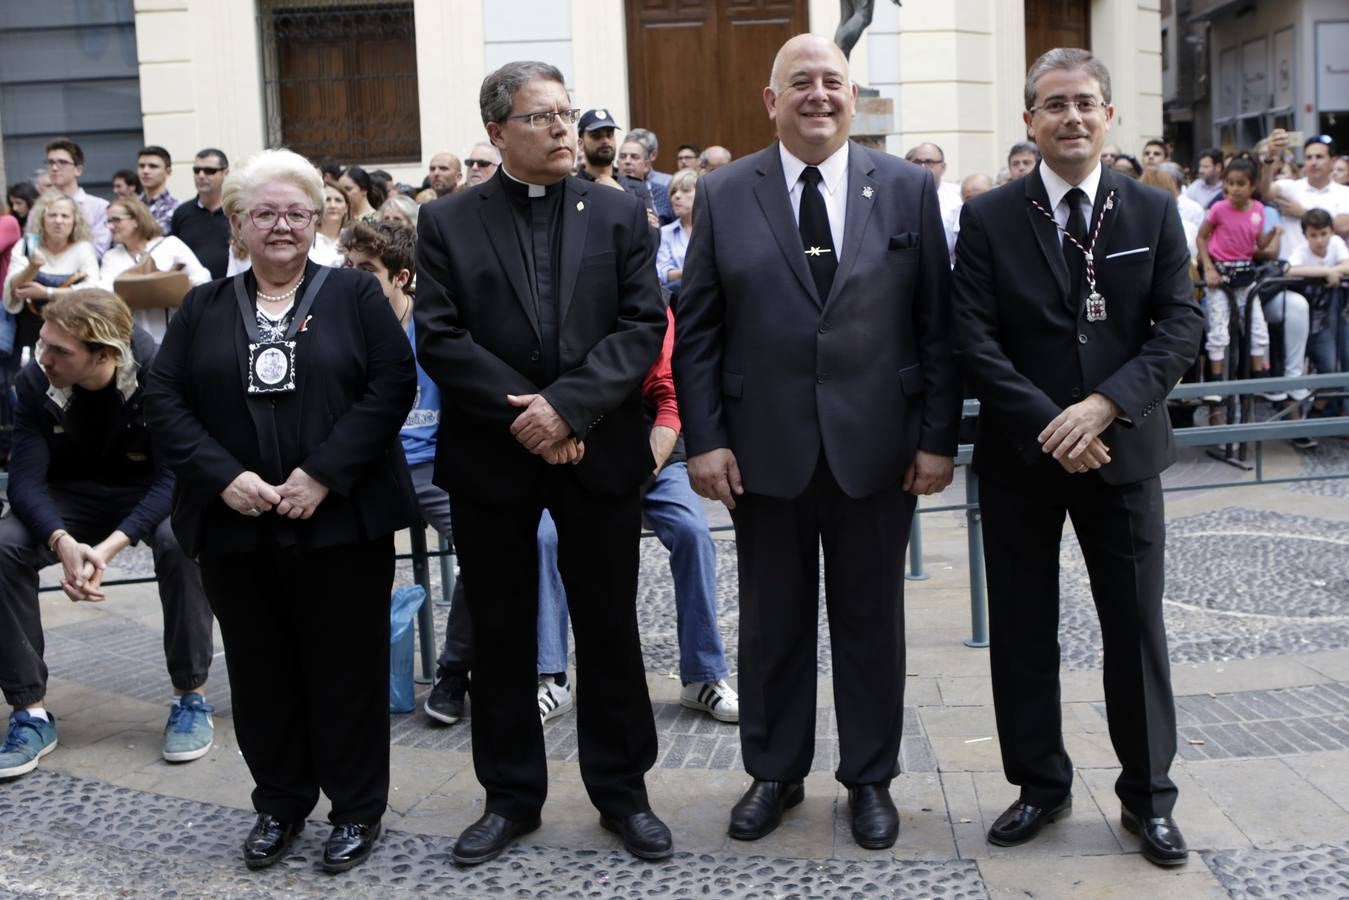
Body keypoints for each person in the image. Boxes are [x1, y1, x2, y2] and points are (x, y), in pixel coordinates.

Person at [673, 33, 962, 851]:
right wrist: (704, 440)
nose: (816, 95)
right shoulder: (726, 192)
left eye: (831, 81)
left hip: (879, 449)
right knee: (771, 622)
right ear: (771, 100)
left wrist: (937, 437)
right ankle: (773, 771)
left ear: (851, 95)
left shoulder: (905, 187)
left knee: (871, 622)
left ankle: (869, 779)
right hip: (762, 451)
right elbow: (696, 330)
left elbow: (936, 327)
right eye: (798, 83)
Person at [414, 60, 672, 866]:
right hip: (493, 454)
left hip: (596, 447)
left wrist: (570, 407)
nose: (564, 129)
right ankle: (510, 798)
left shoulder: (623, 212)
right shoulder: (448, 221)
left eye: (566, 114)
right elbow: (441, 336)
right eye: (542, 117)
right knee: (498, 629)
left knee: (608, 626)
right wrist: (530, 415)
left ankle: (623, 794)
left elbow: (641, 324)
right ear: (497, 131)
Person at [951, 47, 1203, 868]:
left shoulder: (1150, 211)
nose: (1070, 116)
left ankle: (1147, 799)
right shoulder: (989, 218)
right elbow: (973, 340)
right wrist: (1049, 421)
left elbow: (1179, 325)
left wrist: (1101, 406)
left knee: (1134, 631)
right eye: (1053, 104)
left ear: (1107, 116)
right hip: (1022, 461)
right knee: (1022, 629)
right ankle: (1038, 786)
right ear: (1028, 120)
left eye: (1084, 102)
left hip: (1122, 453)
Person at [143, 148, 416, 874]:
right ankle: (280, 804)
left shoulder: (354, 296)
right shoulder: (200, 308)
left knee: (346, 670)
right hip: (236, 525)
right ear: (236, 225)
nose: (283, 225)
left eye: (297, 211)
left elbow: (392, 386)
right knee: (263, 675)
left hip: (339, 522)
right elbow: (162, 401)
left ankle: (356, 810)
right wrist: (221, 476)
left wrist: (322, 474)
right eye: (265, 213)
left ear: (318, 218)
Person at [0, 288, 217, 780]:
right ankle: (29, 712)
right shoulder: (37, 380)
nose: (44, 358)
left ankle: (190, 697)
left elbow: (174, 477)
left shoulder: (160, 372)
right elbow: (27, 480)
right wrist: (62, 541)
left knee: (180, 540)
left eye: (59, 351)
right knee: (5, 544)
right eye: (43, 344)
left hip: (150, 488)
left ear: (104, 355)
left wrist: (109, 547)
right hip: (69, 493)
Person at [1195, 157, 1274, 416]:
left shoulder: (1258, 210)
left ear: (1252, 185)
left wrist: (1272, 236)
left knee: (1257, 328)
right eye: (1230, 183)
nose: (1235, 189)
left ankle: (1257, 378)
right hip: (1220, 273)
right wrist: (1208, 267)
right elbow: (1201, 237)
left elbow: (1258, 243)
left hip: (1245, 273)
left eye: (1241, 183)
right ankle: (1216, 383)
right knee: (1219, 330)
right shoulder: (1219, 209)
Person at [3, 192, 101, 361]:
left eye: (65, 216)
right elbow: (14, 288)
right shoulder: (28, 244)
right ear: (42, 219)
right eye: (52, 215)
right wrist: (33, 267)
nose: (58, 221)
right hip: (30, 331)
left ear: (74, 221)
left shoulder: (83, 248)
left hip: (72, 331)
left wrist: (46, 292)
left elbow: (94, 290)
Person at [100, 197, 211, 343]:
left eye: (116, 220)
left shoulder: (170, 245)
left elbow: (203, 280)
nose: (110, 226)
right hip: (134, 340)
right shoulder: (111, 257)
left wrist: (177, 287)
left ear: (136, 220)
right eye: (108, 221)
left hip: (176, 334)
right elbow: (106, 293)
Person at [1288, 208, 1349, 392]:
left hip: (1325, 321)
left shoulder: (1337, 243)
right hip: (1302, 320)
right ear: (1305, 235)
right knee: (1295, 367)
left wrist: (1334, 271)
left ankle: (1319, 410)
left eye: (1324, 234)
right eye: (1313, 235)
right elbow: (1290, 270)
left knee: (1331, 367)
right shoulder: (1301, 251)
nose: (1320, 240)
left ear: (1331, 231)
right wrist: (1327, 272)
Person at [43, 139, 110, 258]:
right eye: (50, 162)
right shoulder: (39, 207)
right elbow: (30, 248)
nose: (54, 168)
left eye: (62, 162)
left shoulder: (99, 207)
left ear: (78, 170)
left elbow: (99, 251)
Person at [170, 149, 231, 279]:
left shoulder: (236, 212)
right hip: (194, 292)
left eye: (209, 171)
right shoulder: (182, 213)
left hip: (233, 289)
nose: (201, 175)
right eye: (197, 170)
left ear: (225, 173)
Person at [656, 168, 697, 293]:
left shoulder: (713, 229)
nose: (677, 196)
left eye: (685, 190)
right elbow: (662, 272)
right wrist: (692, 272)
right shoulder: (665, 232)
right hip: (679, 299)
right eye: (673, 192)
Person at [137, 146, 180, 235]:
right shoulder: (130, 206)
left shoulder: (178, 208)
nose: (145, 171)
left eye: (153, 166)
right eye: (141, 166)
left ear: (168, 172)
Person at [311, 183, 351, 267]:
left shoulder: (352, 238)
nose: (333, 205)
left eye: (338, 200)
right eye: (327, 200)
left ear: (346, 208)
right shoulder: (307, 236)